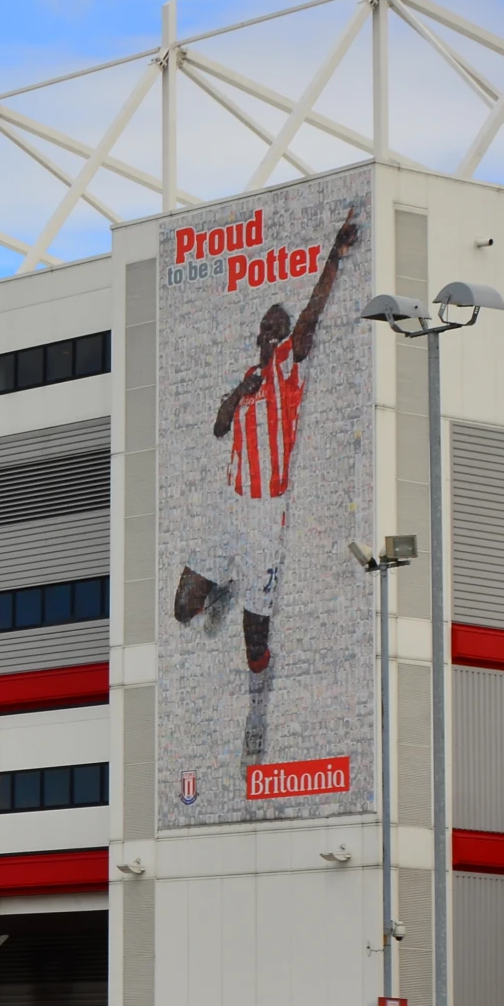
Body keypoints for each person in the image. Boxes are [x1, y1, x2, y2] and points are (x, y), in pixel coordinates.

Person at [171, 208, 359, 765]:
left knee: (256, 631)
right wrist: (236, 391)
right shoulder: (252, 380)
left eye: (282, 328)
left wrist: (333, 256)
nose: (279, 332)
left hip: (263, 515)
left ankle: (257, 707)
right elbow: (217, 425)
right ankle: (221, 587)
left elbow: (312, 316)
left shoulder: (287, 370)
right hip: (229, 509)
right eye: (272, 327)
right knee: (184, 609)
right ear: (259, 334)